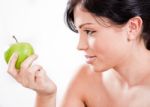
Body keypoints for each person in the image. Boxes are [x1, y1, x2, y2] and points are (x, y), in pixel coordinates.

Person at [7, 0, 150, 107]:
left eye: (90, 31)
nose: (80, 46)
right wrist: (46, 95)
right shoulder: (85, 79)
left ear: (132, 27)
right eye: (79, 32)